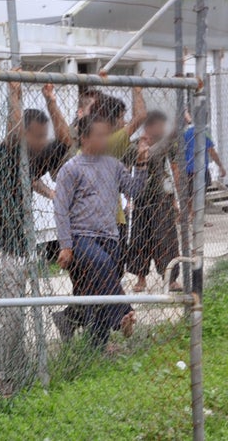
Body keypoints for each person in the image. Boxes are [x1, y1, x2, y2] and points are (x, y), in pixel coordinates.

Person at [0, 81, 72, 396]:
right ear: (25, 133)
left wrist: (51, 100)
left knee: (16, 317)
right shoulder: (6, 155)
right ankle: (4, 380)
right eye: (38, 135)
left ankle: (15, 376)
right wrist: (14, 93)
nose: (44, 142)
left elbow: (67, 140)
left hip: (20, 246)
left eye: (45, 136)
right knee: (6, 318)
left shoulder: (31, 157)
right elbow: (14, 131)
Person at [53, 87, 146, 340]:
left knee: (100, 285)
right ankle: (124, 314)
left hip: (110, 235)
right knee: (102, 265)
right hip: (82, 237)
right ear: (84, 138)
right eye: (99, 135)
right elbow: (60, 208)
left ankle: (98, 344)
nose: (105, 140)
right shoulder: (71, 169)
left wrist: (143, 164)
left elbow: (135, 190)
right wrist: (65, 245)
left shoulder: (113, 165)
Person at [123, 111, 181, 292]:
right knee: (140, 240)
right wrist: (127, 196)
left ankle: (170, 278)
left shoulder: (166, 144)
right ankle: (141, 279)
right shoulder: (134, 145)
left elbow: (174, 169)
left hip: (160, 198)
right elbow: (125, 169)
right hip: (140, 199)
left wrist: (177, 198)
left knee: (166, 238)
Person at [184, 111, 226, 198]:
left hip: (188, 170)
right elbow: (211, 151)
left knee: (191, 195)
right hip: (201, 168)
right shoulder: (205, 133)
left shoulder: (186, 133)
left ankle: (194, 208)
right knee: (200, 194)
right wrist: (220, 166)